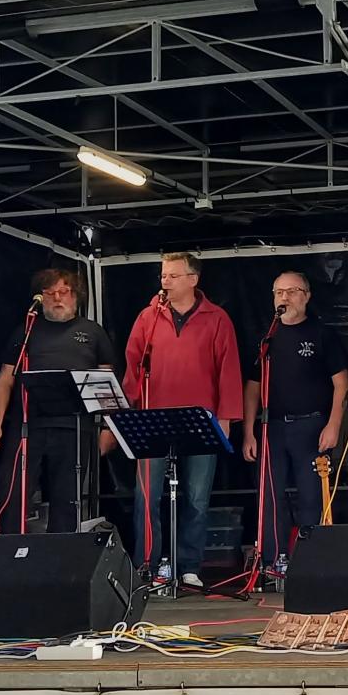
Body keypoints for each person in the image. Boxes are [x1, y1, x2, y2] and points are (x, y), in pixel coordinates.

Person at [122, 252, 243, 589]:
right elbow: (133, 365)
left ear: (193, 279)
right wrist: (125, 411)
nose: (166, 281)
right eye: (163, 275)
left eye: (173, 276)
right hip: (153, 419)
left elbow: (228, 369)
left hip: (200, 419)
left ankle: (189, 566)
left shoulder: (217, 318)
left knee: (196, 497)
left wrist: (226, 417)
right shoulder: (148, 317)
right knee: (147, 496)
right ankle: (147, 566)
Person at [0, 268, 117, 535]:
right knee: (13, 491)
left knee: (67, 499)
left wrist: (108, 428)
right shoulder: (26, 331)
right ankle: (11, 550)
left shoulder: (92, 332)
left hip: (75, 427)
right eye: (50, 292)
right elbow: (6, 378)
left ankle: (61, 555)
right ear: (40, 297)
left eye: (63, 292)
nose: (57, 298)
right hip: (27, 425)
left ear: (75, 296)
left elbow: (106, 383)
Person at [242, 271, 348, 574]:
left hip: (311, 426)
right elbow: (252, 387)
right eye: (279, 292)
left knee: (311, 496)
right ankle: (273, 561)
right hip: (272, 427)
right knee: (270, 497)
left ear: (306, 295)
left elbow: (341, 383)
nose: (285, 298)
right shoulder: (265, 338)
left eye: (291, 291)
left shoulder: (322, 334)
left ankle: (310, 561)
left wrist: (334, 424)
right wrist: (248, 431)